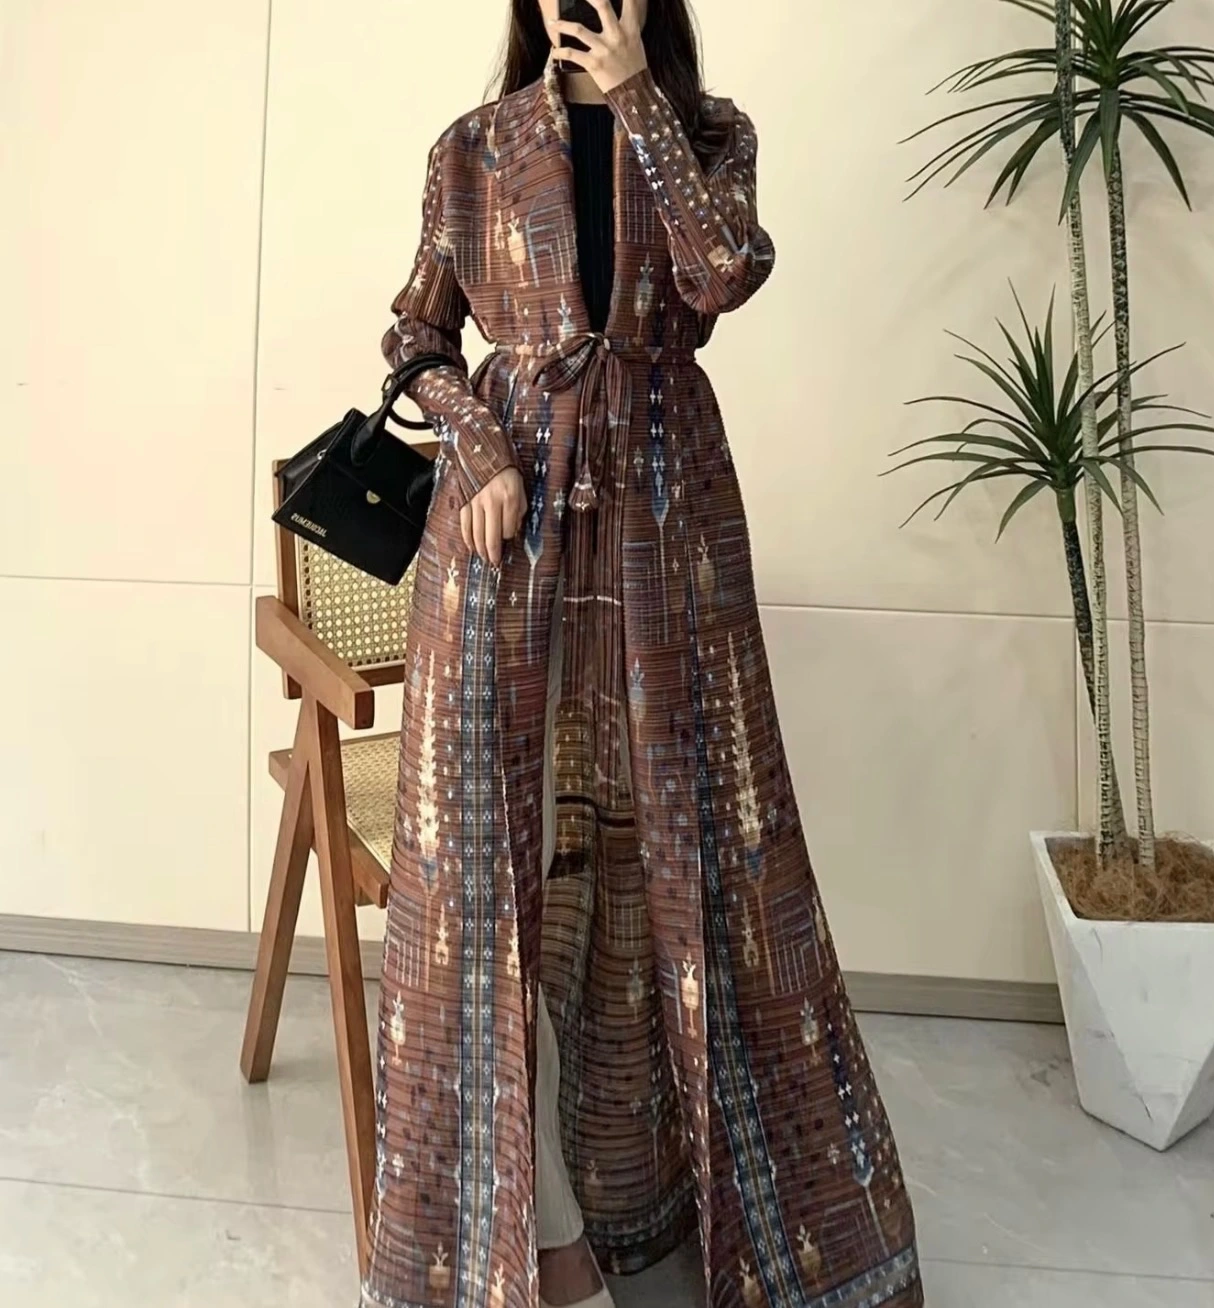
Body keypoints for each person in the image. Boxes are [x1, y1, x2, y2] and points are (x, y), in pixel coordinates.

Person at [360, 2, 922, 1306]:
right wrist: (480, 451)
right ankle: (538, 1239)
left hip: (667, 522)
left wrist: (640, 105)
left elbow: (723, 275)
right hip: (504, 546)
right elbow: (415, 339)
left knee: (690, 856)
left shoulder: (712, 133)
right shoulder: (473, 146)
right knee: (492, 881)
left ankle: (658, 1200)